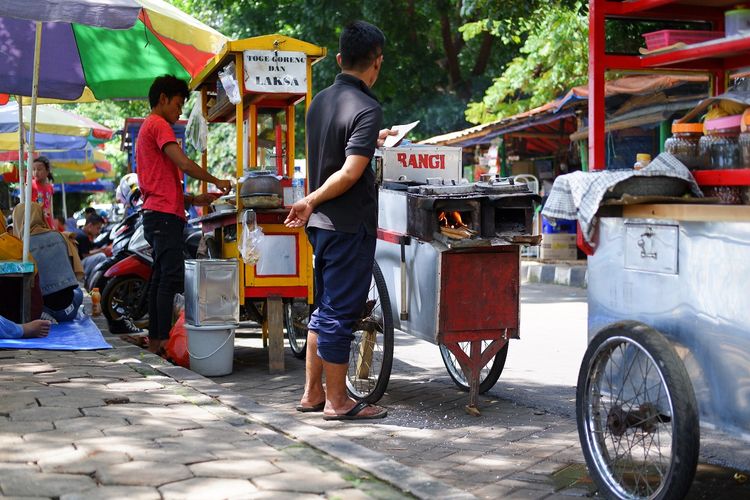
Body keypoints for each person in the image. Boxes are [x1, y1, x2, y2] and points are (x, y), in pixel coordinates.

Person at [285, 21, 396, 421]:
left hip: (323, 229)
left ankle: (312, 394)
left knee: (324, 308)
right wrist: (310, 200)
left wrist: (371, 140)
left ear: (339, 58)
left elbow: (335, 151)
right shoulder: (367, 107)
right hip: (349, 225)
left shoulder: (319, 103)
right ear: (377, 63)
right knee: (338, 314)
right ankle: (337, 401)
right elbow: (349, 173)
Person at [137, 74, 232, 355]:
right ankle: (162, 341)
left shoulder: (150, 127)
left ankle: (156, 340)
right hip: (163, 217)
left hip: (159, 213)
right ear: (163, 99)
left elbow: (161, 181)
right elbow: (184, 163)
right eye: (178, 105)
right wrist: (216, 181)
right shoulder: (158, 124)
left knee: (160, 279)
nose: (180, 112)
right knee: (170, 278)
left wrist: (193, 198)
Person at [12, 202, 84, 323]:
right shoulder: (60, 237)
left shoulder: (21, 246)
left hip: (37, 309)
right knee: (79, 293)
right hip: (67, 310)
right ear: (41, 216)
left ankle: (45, 313)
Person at [31, 156, 56, 230]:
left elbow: (49, 207)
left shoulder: (50, 187)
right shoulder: (30, 185)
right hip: (34, 222)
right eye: (34, 169)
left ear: (47, 171)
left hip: (47, 222)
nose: (36, 172)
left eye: (39, 169)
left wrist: (52, 224)